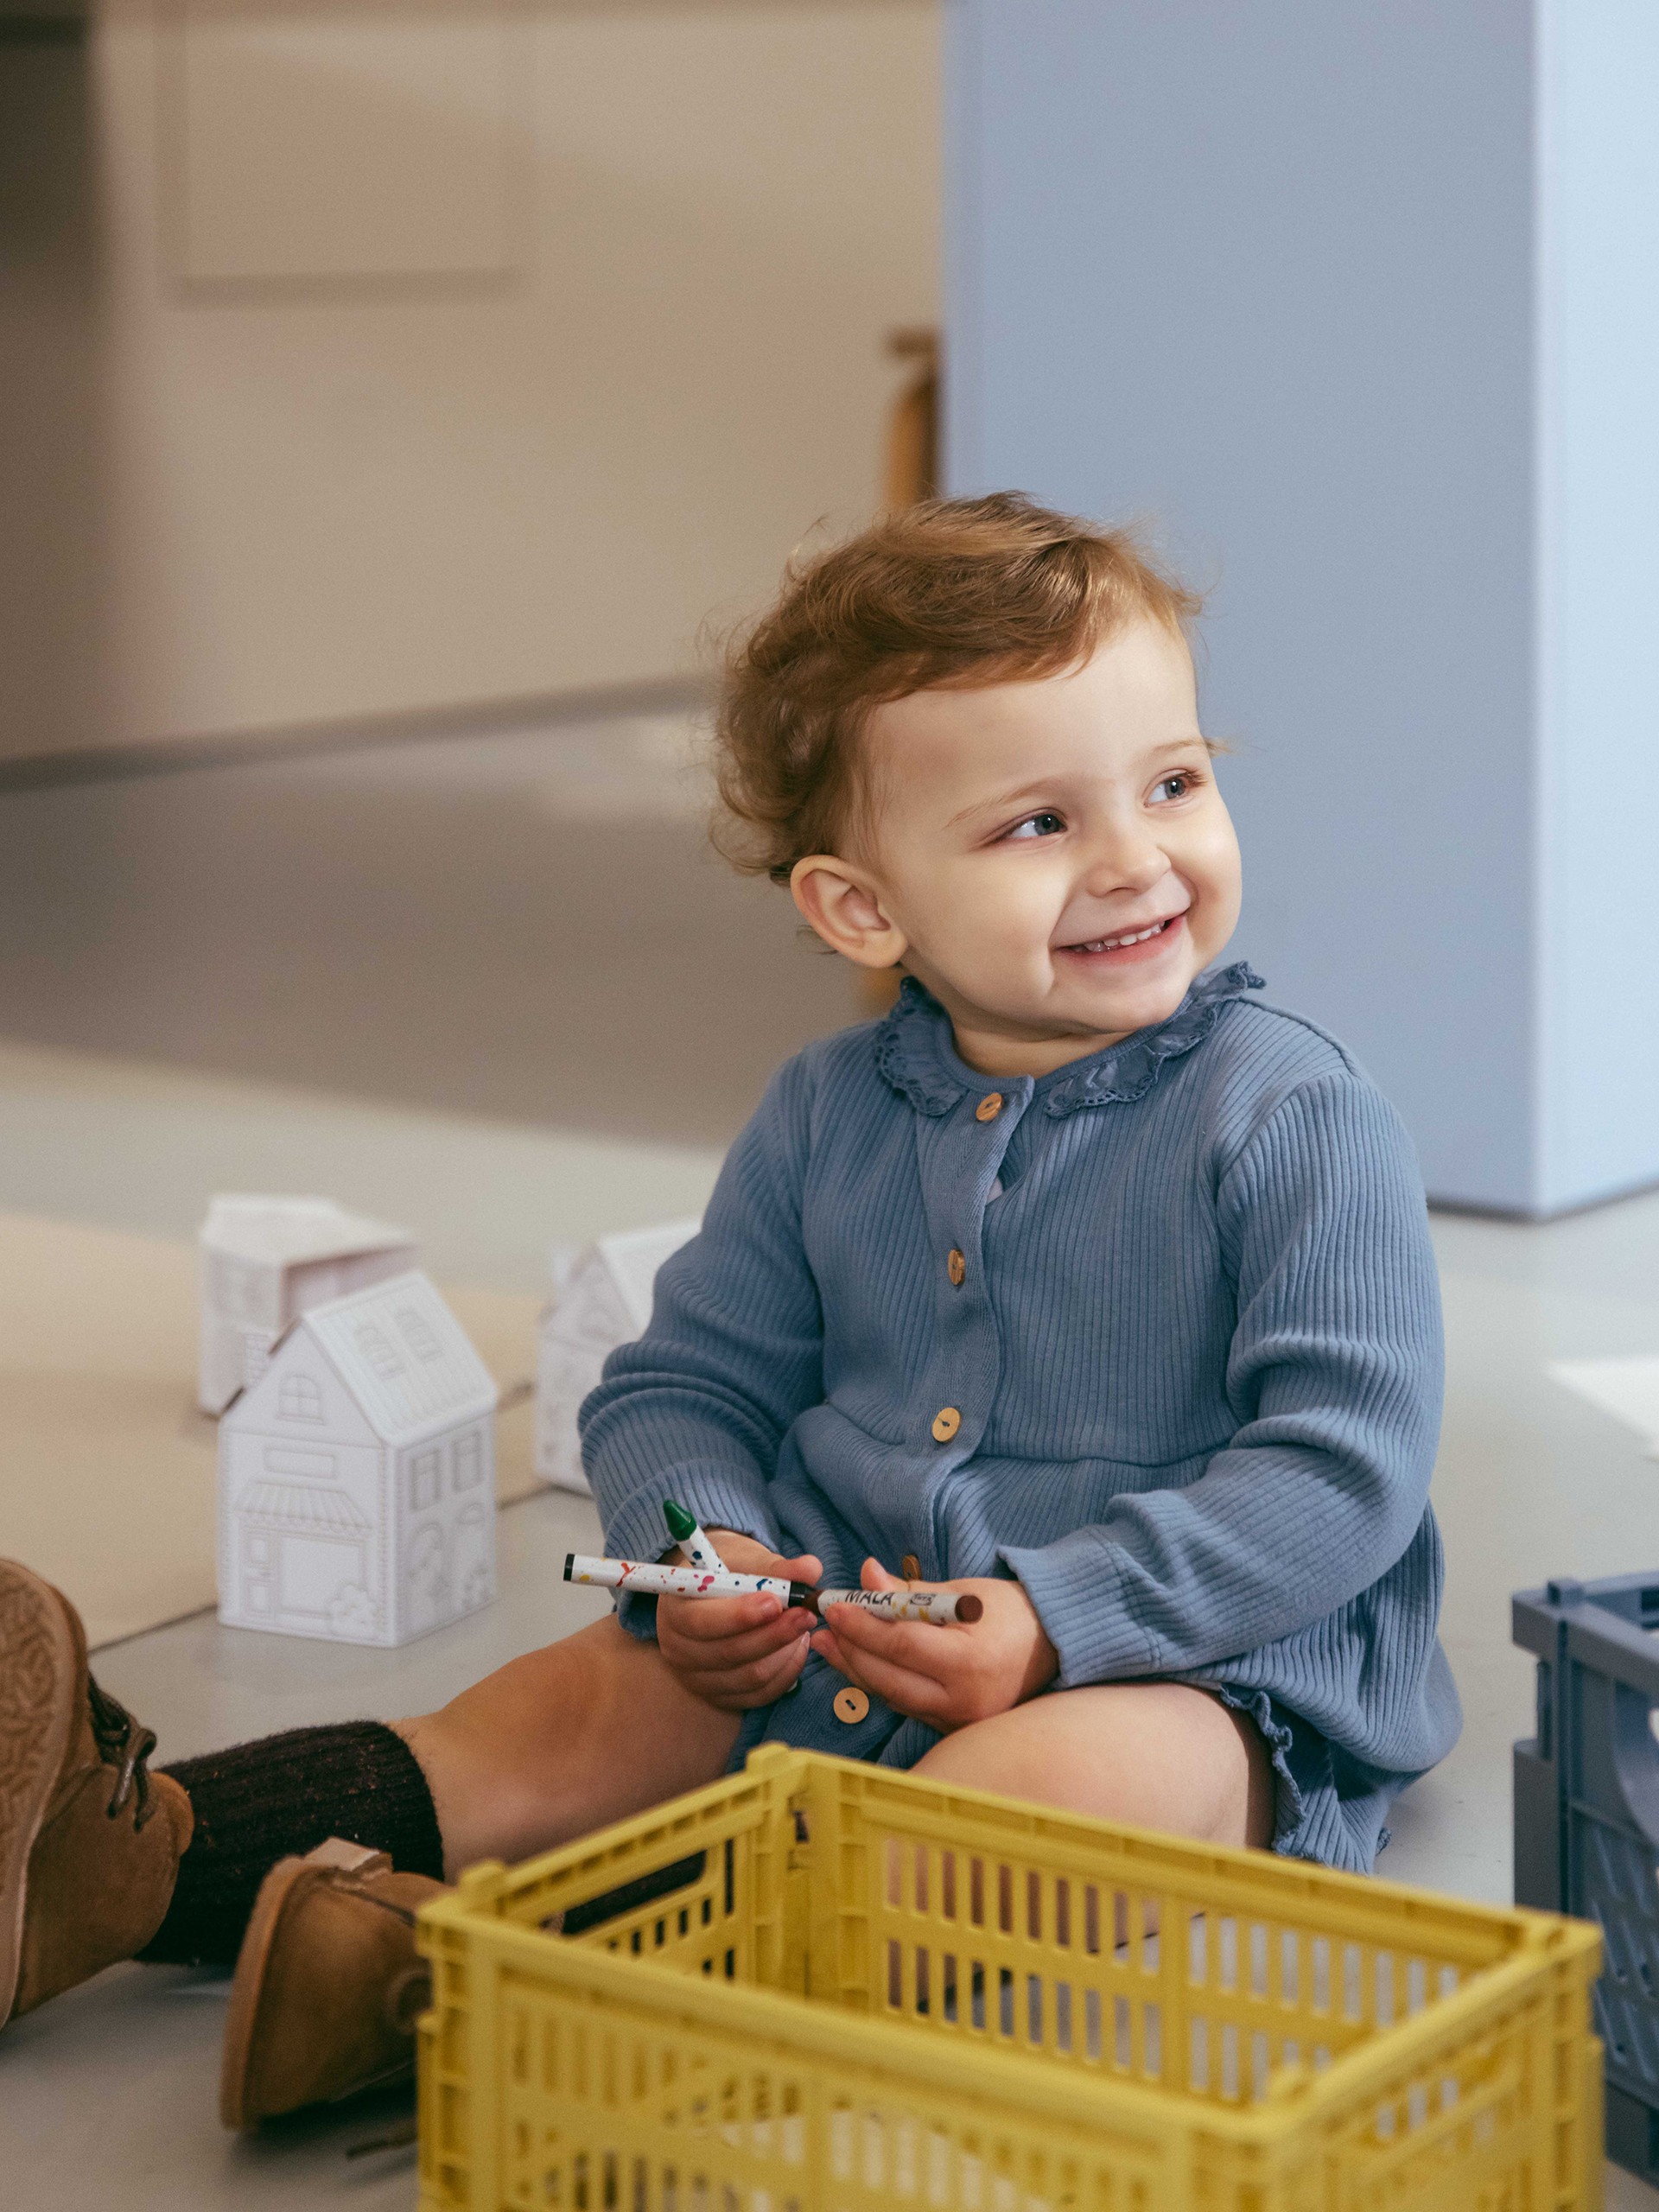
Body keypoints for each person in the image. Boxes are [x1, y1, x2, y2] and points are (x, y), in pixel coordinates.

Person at [0, 493, 1460, 2123]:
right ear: (861, 908)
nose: (1137, 858)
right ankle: (111, 1872)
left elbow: (1344, 1471)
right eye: (1037, 823)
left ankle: (481, 2001)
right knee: (562, 1712)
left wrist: (1064, 1620)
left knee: (1003, 1819)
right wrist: (704, 1549)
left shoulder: (1293, 1112)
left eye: (1173, 783)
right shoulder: (827, 1112)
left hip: (1200, 1675)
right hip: (839, 1627)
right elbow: (678, 1385)